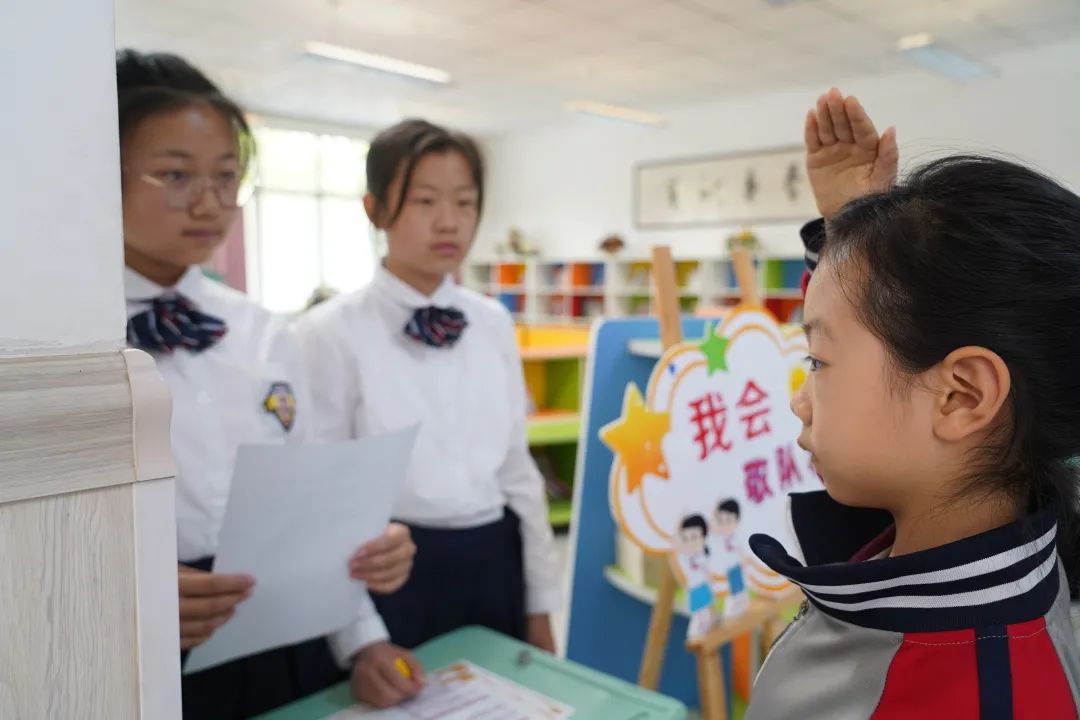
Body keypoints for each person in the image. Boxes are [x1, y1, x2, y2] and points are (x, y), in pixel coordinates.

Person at [744, 94, 1080, 718]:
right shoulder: (987, 543)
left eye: (817, 365)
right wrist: (850, 227)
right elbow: (863, 328)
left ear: (962, 395)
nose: (799, 401)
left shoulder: (969, 693)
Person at [116, 49, 418, 718]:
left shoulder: (261, 330)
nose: (210, 202)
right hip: (122, 653)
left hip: (275, 631)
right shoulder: (54, 342)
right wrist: (116, 596)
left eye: (228, 178)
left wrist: (364, 639)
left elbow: (305, 504)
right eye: (174, 174)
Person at [296, 119, 562, 708]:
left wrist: (539, 603)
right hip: (391, 573)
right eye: (424, 201)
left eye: (465, 203)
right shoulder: (326, 334)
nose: (449, 221)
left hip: (495, 561)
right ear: (375, 209)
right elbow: (321, 500)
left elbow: (518, 472)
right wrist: (360, 639)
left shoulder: (491, 321)